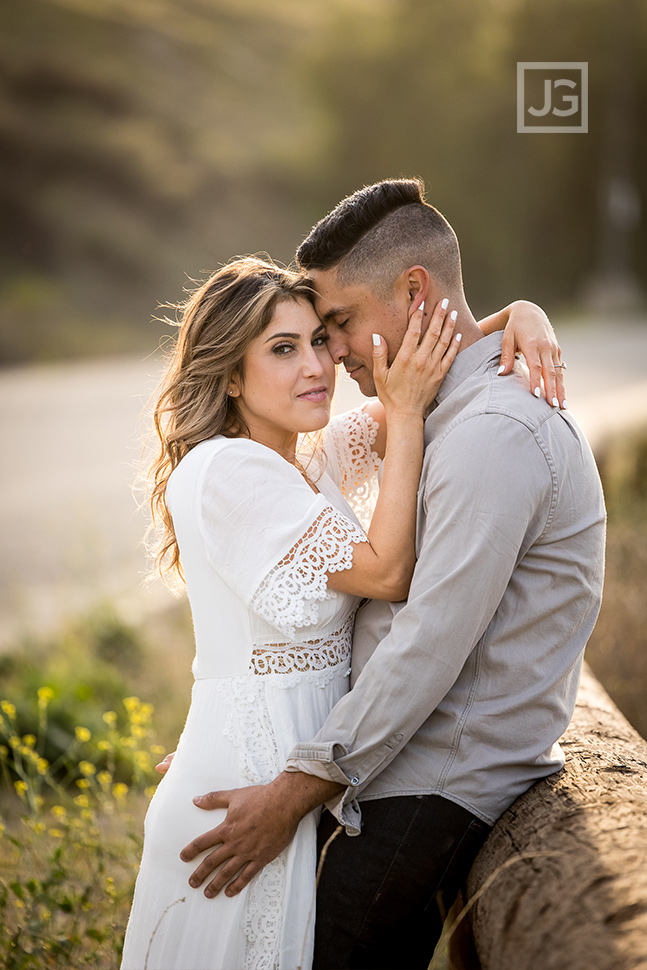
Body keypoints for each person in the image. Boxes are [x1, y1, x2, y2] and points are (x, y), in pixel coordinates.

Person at [178, 180, 606, 970]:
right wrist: (517, 313)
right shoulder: (442, 414)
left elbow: (427, 642)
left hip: (428, 787)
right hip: (386, 775)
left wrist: (291, 792)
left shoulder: (492, 433)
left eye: (337, 325)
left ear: (414, 291)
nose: (329, 354)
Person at [121, 253, 466, 969]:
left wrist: (520, 317)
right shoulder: (228, 468)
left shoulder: (306, 465)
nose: (316, 365)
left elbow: (431, 359)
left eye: (317, 340)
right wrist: (403, 419)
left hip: (290, 782)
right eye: (282, 349)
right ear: (229, 374)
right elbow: (388, 570)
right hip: (242, 796)